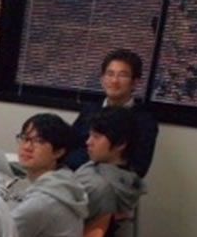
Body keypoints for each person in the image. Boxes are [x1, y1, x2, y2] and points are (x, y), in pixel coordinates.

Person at [9, 114, 89, 237]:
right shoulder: (64, 179)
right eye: (25, 138)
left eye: (39, 141)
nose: (27, 147)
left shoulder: (43, 203)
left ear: (58, 152)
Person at [64, 49, 159, 177]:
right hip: (73, 176)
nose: (114, 80)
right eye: (110, 74)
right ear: (102, 79)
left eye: (123, 75)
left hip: (113, 183)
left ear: (135, 82)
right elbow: (68, 146)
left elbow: (138, 167)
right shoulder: (90, 110)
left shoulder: (144, 121)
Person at [75, 107, 147, 220]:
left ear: (120, 144)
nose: (88, 142)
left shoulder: (98, 187)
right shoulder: (127, 177)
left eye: (96, 137)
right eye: (89, 135)